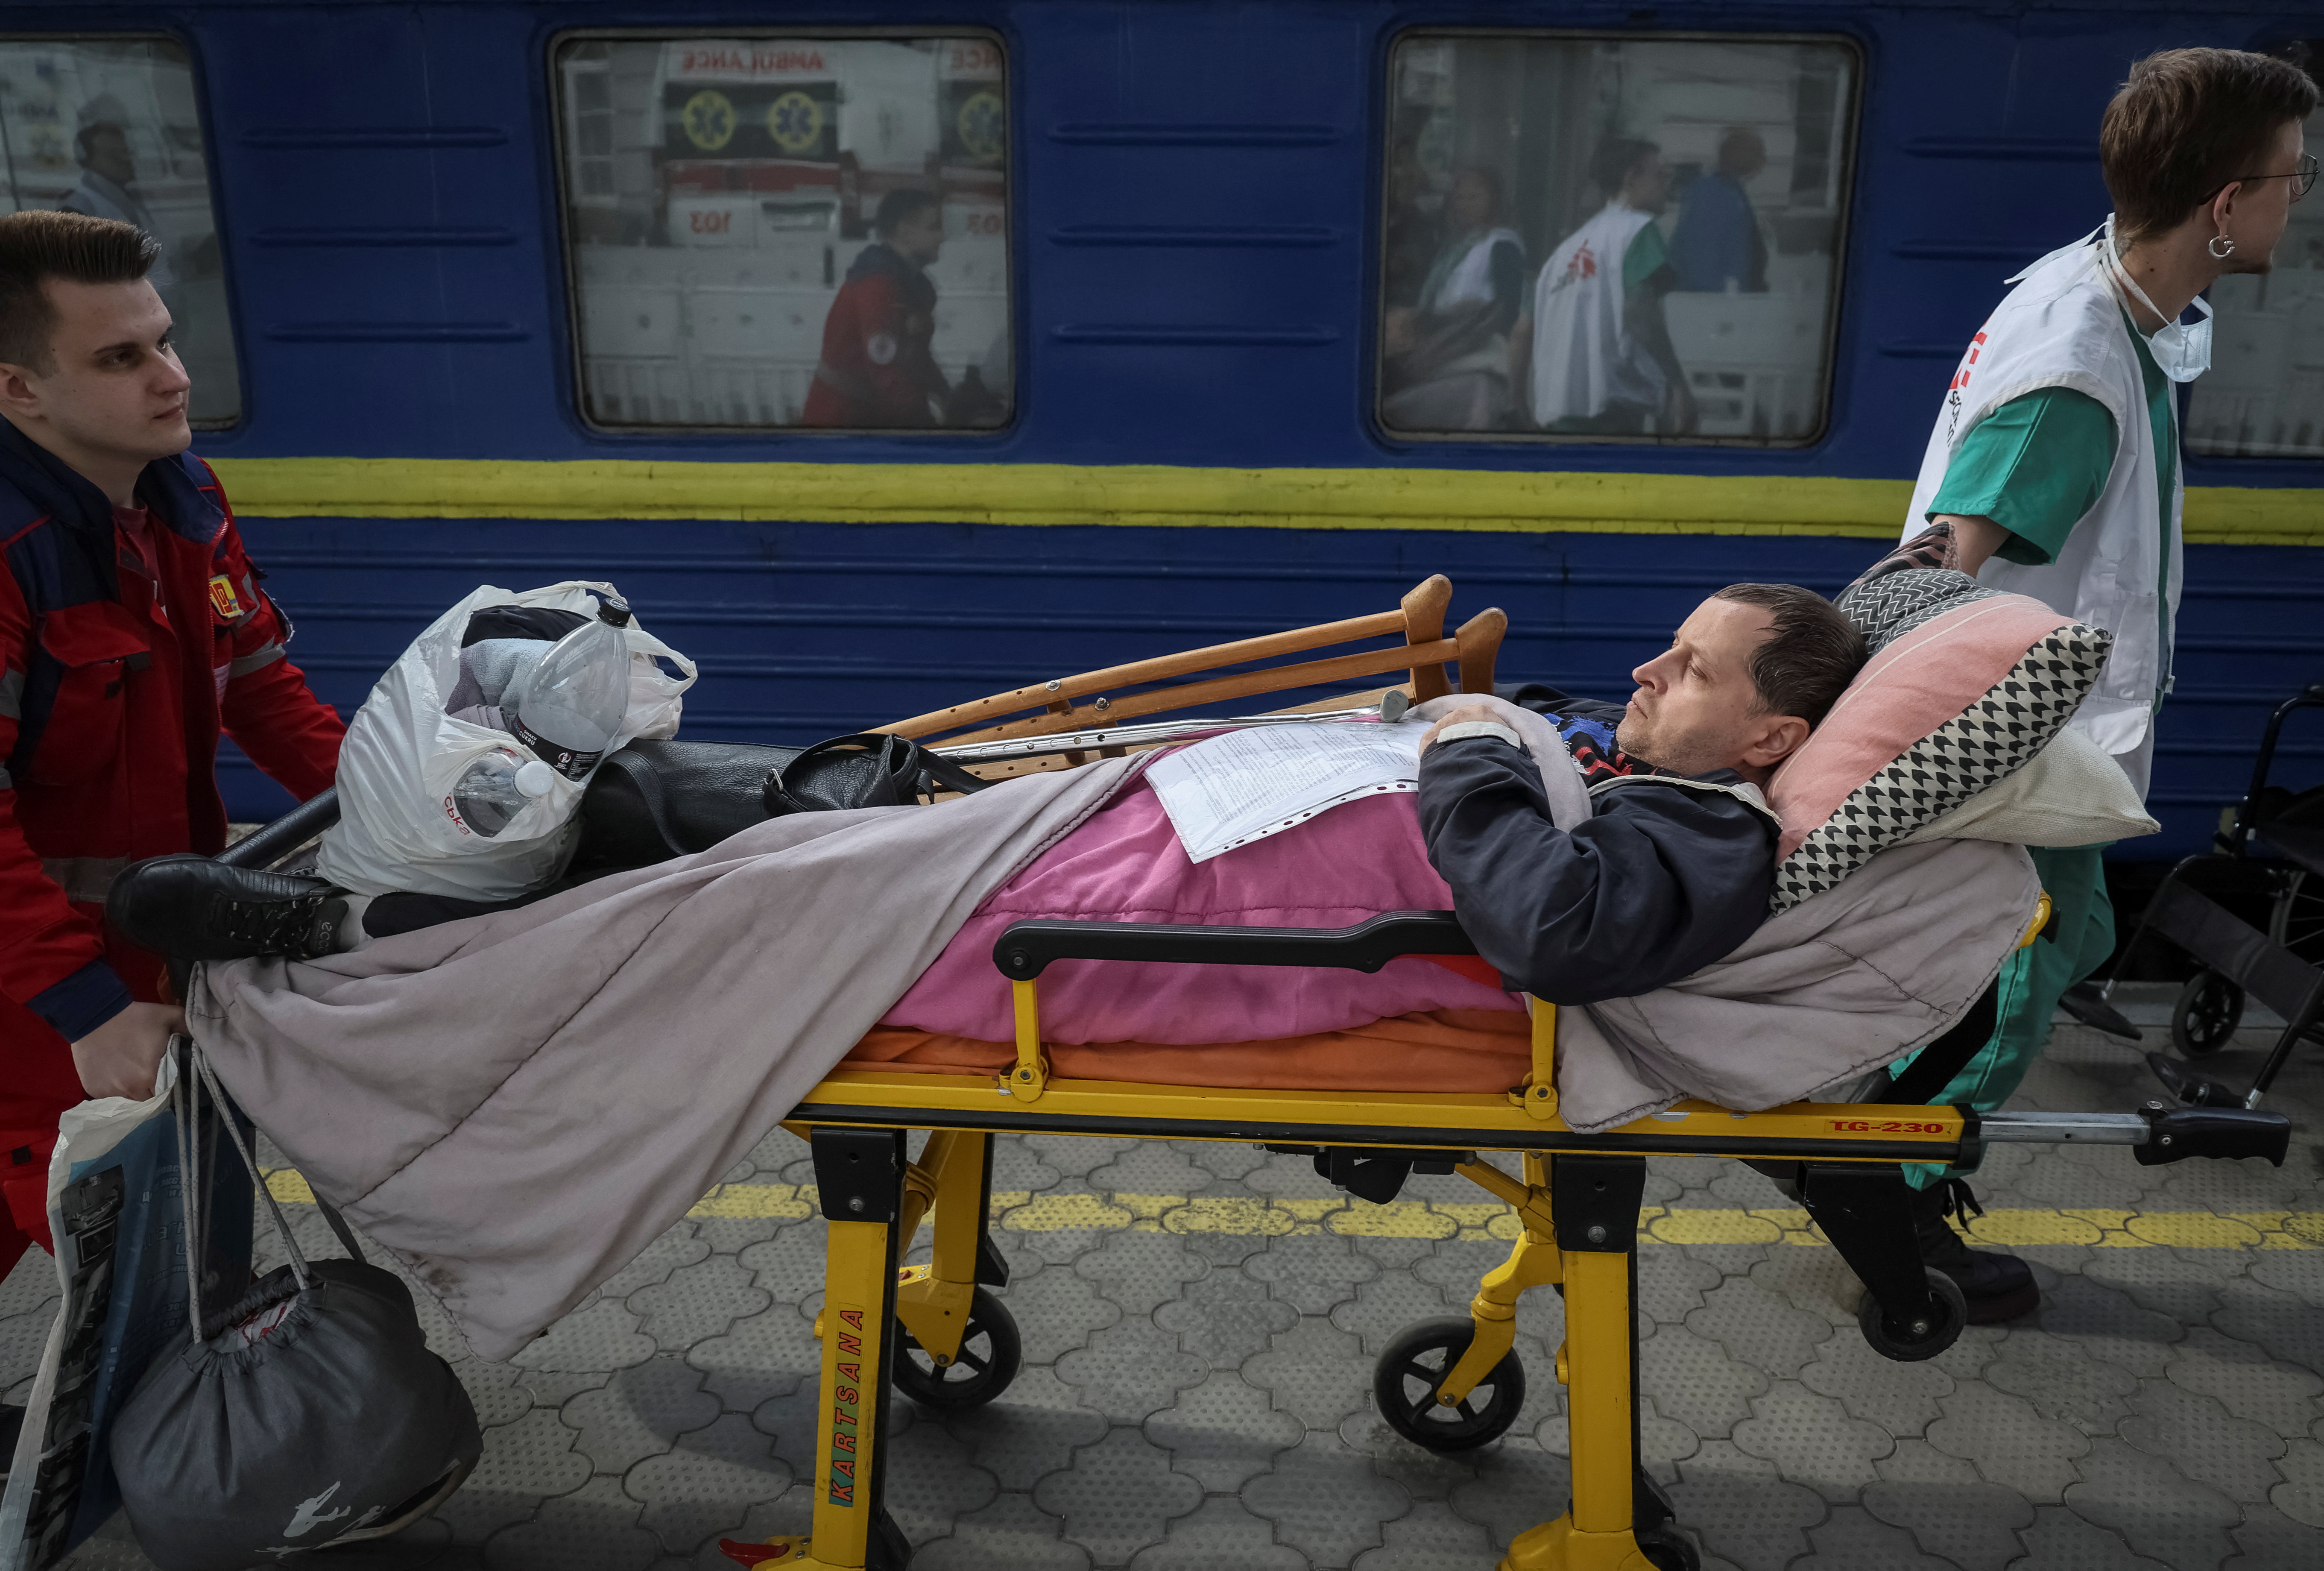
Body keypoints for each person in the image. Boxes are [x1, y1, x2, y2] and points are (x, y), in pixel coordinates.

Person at [1885, 46, 2317, 1322]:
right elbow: (1942, 551)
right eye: (2293, 178)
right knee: (2033, 949)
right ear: (2223, 203)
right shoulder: (2077, 357)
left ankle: (1883, 1159)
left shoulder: (2107, 298)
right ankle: (1894, 1185)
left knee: (2009, 951)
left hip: (2023, 731)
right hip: (2011, 742)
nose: (2302, 200)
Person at [0, 213, 342, 1325]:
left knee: (116, 1213)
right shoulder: (8, 560)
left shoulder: (180, 498)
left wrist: (422, 814)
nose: (172, 376)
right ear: (19, 390)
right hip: (32, 970)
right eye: (122, 357)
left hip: (141, 944)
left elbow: (265, 693)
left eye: (165, 339)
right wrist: (86, 1005)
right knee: (99, 1217)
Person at [1417, 583, 1864, 998]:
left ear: (1771, 740)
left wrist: (1467, 748)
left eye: (1696, 671)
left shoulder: (1706, 823)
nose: (1644, 671)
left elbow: (1562, 933)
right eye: (1674, 645)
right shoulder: (1628, 726)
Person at [1513, 137, 1697, 434]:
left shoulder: (1563, 253)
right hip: (1612, 408)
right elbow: (1639, 311)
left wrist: (1518, 401)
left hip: (1555, 410)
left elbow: (1522, 330)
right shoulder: (1636, 229)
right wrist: (1678, 386)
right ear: (1630, 178)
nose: (1667, 183)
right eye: (1660, 174)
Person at [1381, 167, 1525, 430]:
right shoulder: (1452, 248)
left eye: (1475, 197)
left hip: (1475, 348)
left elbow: (1507, 307)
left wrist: (1460, 332)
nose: (1465, 205)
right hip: (1440, 344)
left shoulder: (1502, 243)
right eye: (1460, 197)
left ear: (1495, 201)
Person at [802, 188, 951, 429]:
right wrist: (919, 418)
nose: (943, 237)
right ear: (905, 230)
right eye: (934, 228)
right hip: (841, 418)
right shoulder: (876, 285)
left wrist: (948, 397)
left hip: (877, 414)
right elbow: (883, 366)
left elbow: (918, 358)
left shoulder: (918, 288)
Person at [59, 109, 176, 299]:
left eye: (127, 154)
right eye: (114, 156)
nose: (126, 161)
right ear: (87, 160)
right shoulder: (78, 208)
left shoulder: (129, 196)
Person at [1669, 128, 1770, 294]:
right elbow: (1714, 255)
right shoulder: (1724, 196)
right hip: (1718, 298)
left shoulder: (1713, 190)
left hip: (1718, 294)